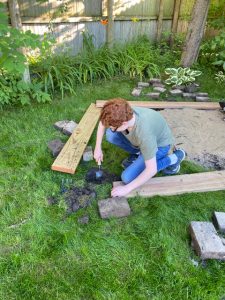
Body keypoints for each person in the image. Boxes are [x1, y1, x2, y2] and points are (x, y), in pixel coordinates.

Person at [94, 98, 186, 197]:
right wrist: (97, 147)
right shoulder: (122, 113)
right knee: (111, 135)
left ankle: (174, 158)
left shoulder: (144, 134)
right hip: (142, 143)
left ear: (124, 123)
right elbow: (103, 123)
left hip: (160, 146)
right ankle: (138, 154)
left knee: (127, 178)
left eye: (113, 127)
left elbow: (151, 170)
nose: (111, 129)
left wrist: (126, 189)